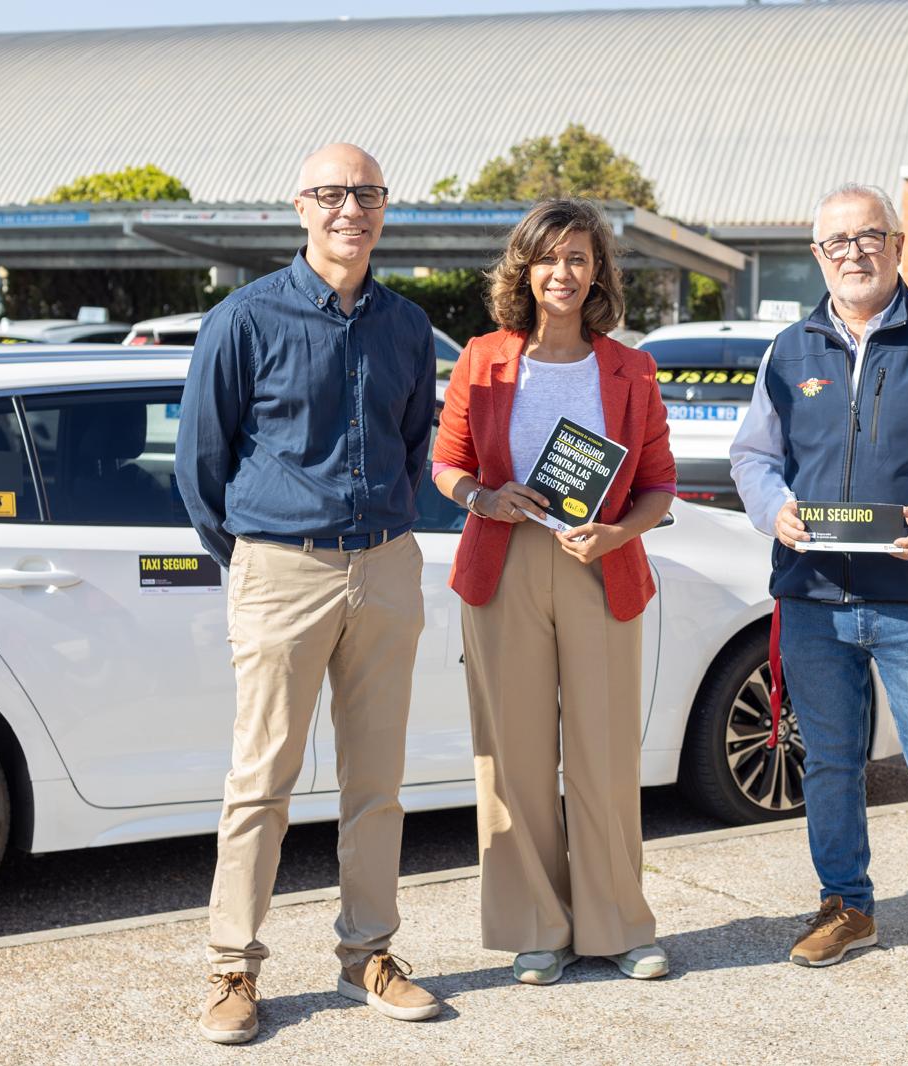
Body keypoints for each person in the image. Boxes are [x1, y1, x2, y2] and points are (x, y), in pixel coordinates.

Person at [176, 143, 440, 1043]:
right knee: (261, 780)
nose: (349, 210)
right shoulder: (242, 321)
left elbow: (413, 446)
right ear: (300, 207)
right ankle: (231, 969)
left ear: (384, 206)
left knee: (377, 782)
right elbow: (201, 468)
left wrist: (378, 541)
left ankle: (369, 952)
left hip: (387, 563)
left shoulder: (406, 327)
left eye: (365, 194)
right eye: (331, 194)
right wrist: (260, 554)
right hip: (281, 567)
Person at [729, 182, 908, 991]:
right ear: (817, 256)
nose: (853, 254)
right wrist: (773, 511)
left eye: (868, 238)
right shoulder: (789, 351)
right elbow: (754, 456)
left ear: (896, 245)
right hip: (814, 594)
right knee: (827, 762)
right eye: (836, 243)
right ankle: (845, 908)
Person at [432, 198, 677, 986]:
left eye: (577, 257)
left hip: (599, 567)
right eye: (547, 258)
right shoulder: (483, 358)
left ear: (597, 270)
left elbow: (660, 488)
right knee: (516, 760)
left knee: (605, 756)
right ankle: (539, 929)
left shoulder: (630, 367)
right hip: (502, 568)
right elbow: (447, 464)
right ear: (524, 270)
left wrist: (617, 532)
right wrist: (482, 497)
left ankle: (619, 924)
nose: (562, 273)